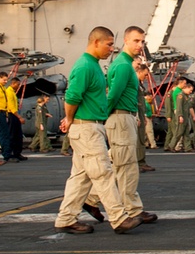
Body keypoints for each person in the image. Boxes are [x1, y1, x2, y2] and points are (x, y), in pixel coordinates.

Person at [54, 27, 142, 236]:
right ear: (95, 42)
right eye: (108, 44)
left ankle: (66, 218)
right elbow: (72, 97)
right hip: (86, 127)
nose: (112, 49)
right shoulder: (86, 66)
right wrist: (69, 119)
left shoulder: (92, 65)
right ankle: (119, 219)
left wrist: (70, 120)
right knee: (103, 173)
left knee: (81, 177)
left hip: (90, 125)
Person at [106, 26, 155, 225]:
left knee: (120, 164)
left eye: (142, 41)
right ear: (125, 41)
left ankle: (91, 199)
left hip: (125, 117)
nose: (140, 45)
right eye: (136, 41)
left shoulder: (126, 64)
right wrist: (103, 117)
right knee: (127, 167)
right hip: (120, 119)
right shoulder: (124, 66)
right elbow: (113, 95)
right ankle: (132, 210)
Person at [0, 71, 25, 161]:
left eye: (6, 80)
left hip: (3, 113)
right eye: (4, 80)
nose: (5, 82)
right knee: (4, 135)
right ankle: (7, 155)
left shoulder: (3, 88)